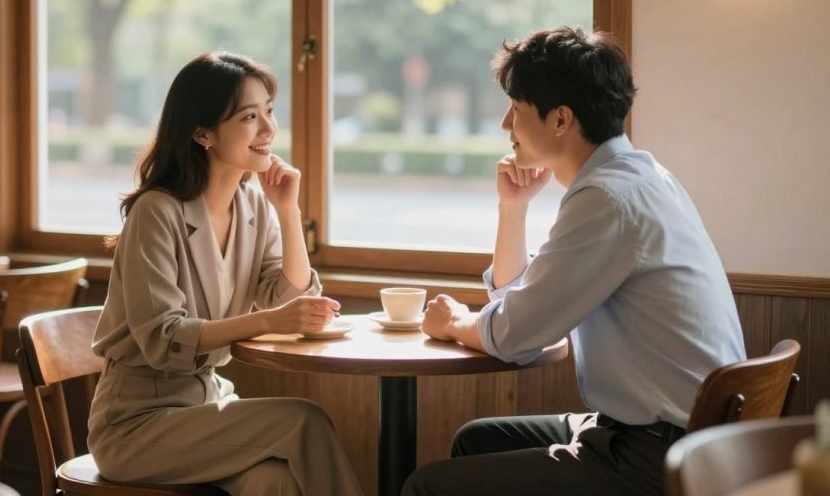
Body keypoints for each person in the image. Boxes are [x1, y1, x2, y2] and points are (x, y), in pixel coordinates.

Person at [403, 27, 746, 496]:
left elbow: (514, 335)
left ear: (560, 119)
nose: (506, 124)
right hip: (678, 435)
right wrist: (514, 207)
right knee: (476, 439)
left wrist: (453, 323)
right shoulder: (641, 176)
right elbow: (520, 306)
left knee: (427, 485)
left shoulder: (608, 199)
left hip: (656, 454)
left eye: (517, 109)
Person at [87, 52, 363, 496]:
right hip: (137, 424)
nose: (269, 130)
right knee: (303, 420)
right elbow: (163, 338)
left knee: (272, 482)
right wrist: (270, 322)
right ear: (202, 133)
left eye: (269, 112)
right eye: (249, 117)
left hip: (207, 405)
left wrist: (288, 212)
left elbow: (284, 295)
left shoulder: (252, 203)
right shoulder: (155, 211)